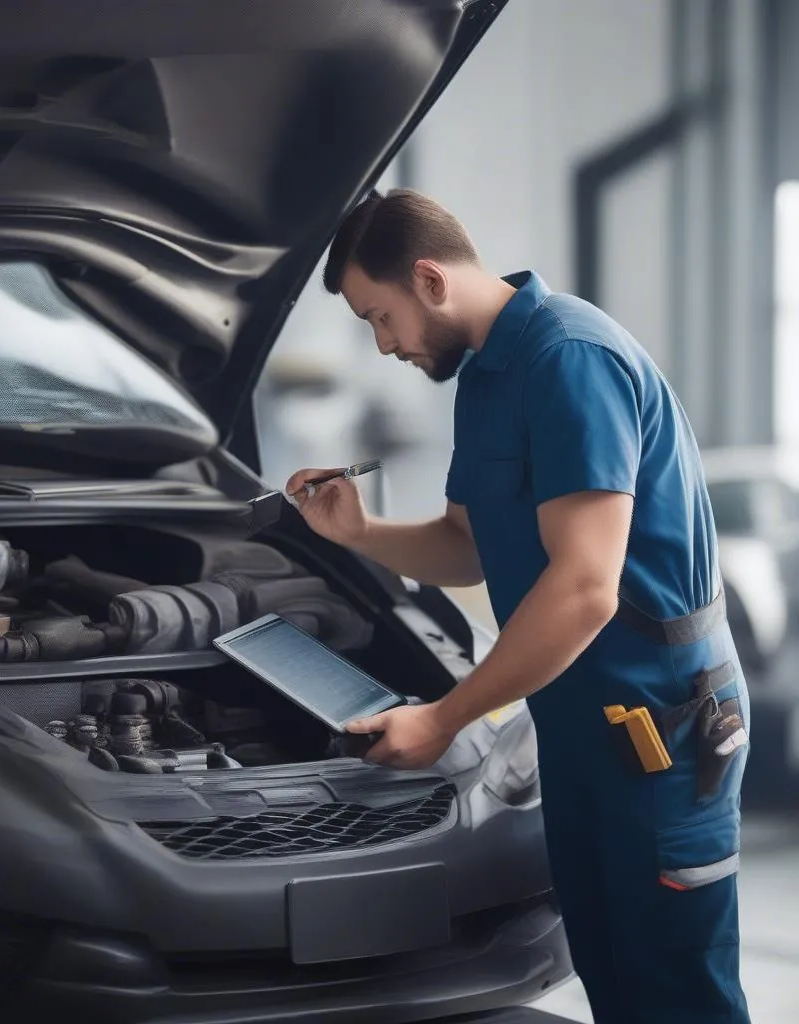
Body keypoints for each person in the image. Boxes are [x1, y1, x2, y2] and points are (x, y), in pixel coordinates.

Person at [286, 188, 751, 1024]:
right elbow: (466, 542)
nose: (384, 345)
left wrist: (443, 718)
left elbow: (583, 588)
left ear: (428, 279)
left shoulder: (569, 357)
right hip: (579, 728)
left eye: (379, 318)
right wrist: (357, 531)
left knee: (677, 993)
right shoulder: (488, 375)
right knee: (613, 980)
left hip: (661, 732)